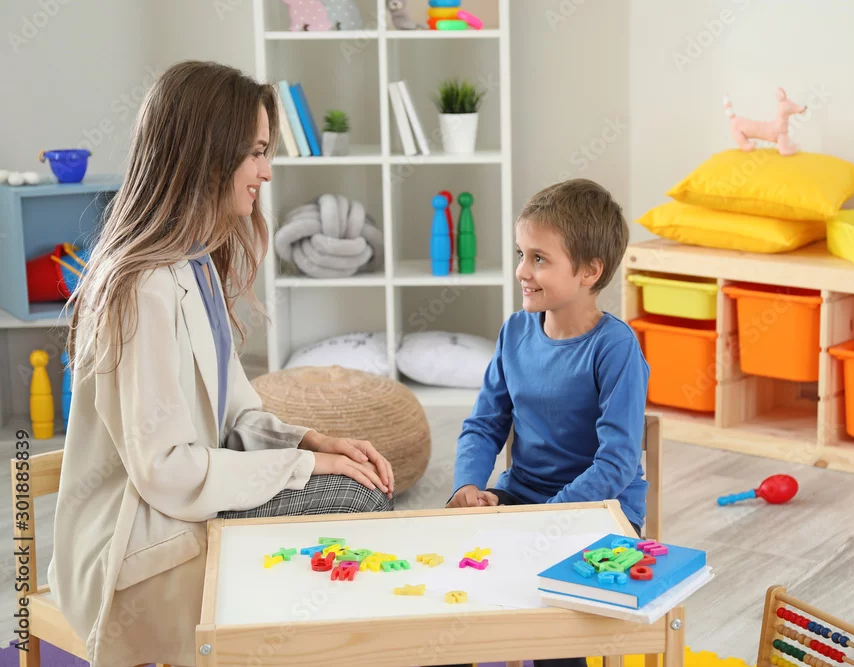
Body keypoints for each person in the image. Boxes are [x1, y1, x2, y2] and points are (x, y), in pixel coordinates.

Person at [48, 61, 395, 667]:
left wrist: (310, 441)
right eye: (256, 152)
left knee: (356, 487)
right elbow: (165, 471)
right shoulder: (142, 287)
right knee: (356, 502)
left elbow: (235, 415)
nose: (266, 171)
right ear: (208, 154)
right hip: (138, 537)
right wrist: (304, 467)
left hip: (181, 501)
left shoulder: (194, 263)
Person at [445, 179, 650, 667]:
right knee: (455, 580)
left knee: (554, 618)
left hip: (601, 510)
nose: (522, 270)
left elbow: (618, 462)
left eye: (539, 258)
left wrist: (546, 518)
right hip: (524, 498)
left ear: (589, 271)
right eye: (522, 254)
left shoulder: (615, 347)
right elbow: (485, 423)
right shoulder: (515, 331)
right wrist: (468, 485)